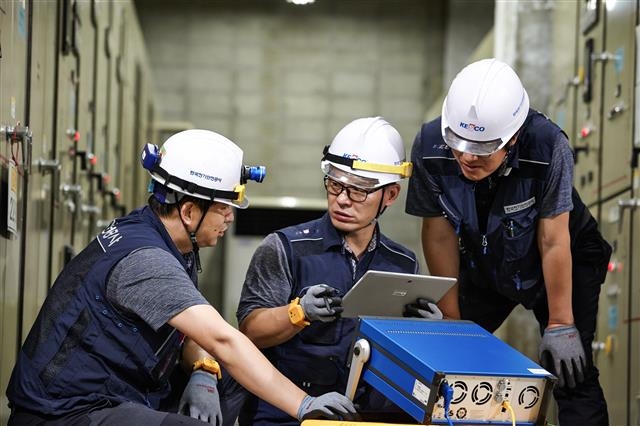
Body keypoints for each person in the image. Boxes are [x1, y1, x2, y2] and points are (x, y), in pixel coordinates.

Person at [6, 129, 357, 425]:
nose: (229, 221)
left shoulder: (163, 237)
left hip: (109, 390)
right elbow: (223, 340)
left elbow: (188, 329)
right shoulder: (148, 261)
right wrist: (304, 405)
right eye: (224, 209)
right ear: (189, 211)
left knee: (231, 375)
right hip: (65, 412)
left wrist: (203, 369)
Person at [405, 58, 612, 425]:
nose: (467, 156)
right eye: (459, 141)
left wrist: (561, 323)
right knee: (451, 358)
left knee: (571, 373)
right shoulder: (429, 144)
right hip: (486, 257)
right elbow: (438, 232)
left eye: (482, 147)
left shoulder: (548, 147)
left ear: (513, 137)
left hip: (564, 256)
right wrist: (451, 320)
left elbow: (553, 239)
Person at [235, 117, 443, 426]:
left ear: (390, 196)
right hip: (287, 415)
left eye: (359, 190)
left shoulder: (402, 263)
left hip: (364, 415)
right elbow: (250, 333)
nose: (342, 200)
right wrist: (297, 314)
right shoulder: (285, 248)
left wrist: (426, 335)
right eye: (335, 185)